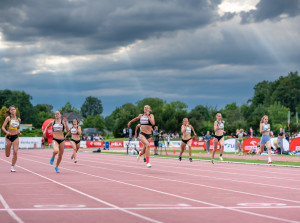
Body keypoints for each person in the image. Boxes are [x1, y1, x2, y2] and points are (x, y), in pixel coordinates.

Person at [1, 105, 22, 172]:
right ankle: (7, 149)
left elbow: (18, 128)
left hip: (15, 137)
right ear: (10, 111)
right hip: (8, 137)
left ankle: (12, 167)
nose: (13, 110)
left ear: (16, 110)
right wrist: (7, 132)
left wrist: (19, 132)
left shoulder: (18, 119)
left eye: (14, 109)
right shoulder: (8, 118)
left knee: (15, 152)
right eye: (11, 109)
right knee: (7, 155)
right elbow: (3, 127)